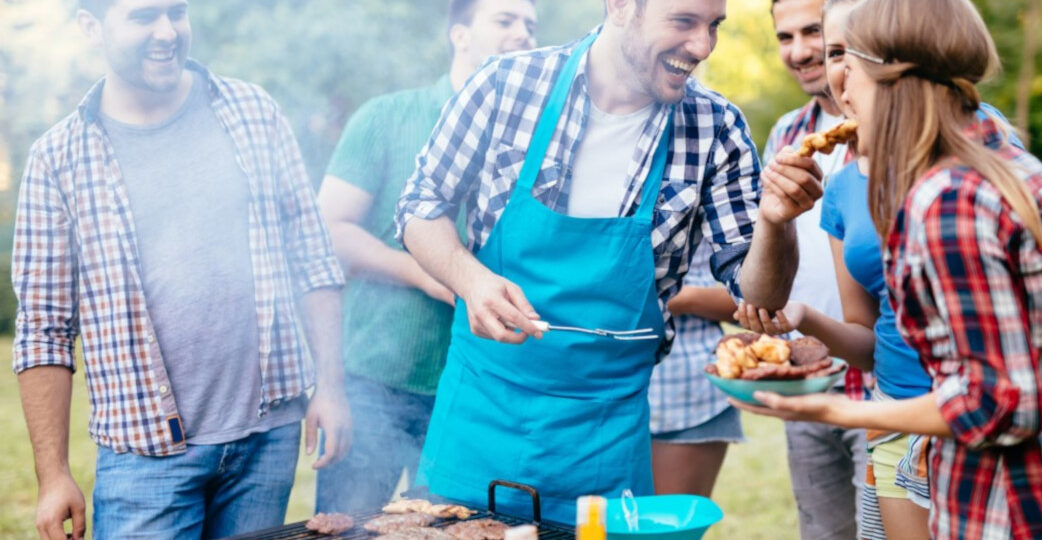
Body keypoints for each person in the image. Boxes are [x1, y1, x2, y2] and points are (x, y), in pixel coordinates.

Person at [733, 0, 1042, 538]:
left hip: (1009, 507)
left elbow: (998, 404)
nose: (842, 94)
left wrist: (832, 412)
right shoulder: (1019, 171)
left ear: (896, 77)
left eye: (849, 71)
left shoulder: (947, 202)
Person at [396, 0, 818, 524]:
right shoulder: (505, 85)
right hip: (479, 419)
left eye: (714, 26)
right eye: (684, 21)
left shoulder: (715, 127)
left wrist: (777, 223)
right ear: (620, 6)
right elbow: (420, 205)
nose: (703, 46)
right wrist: (472, 280)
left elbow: (759, 297)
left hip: (603, 441)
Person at [11, 0, 351, 538]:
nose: (167, 31)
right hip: (144, 457)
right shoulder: (58, 158)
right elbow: (44, 331)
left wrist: (330, 387)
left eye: (177, 11)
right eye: (144, 16)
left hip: (268, 438)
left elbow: (312, 258)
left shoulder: (253, 112)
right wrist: (53, 475)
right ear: (90, 27)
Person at [314, 0, 538, 514]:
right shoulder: (386, 117)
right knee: (350, 526)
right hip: (376, 380)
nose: (523, 34)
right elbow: (328, 230)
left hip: (481, 388)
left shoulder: (536, 142)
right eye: (504, 20)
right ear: (459, 34)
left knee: (457, 528)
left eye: (530, 25)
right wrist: (426, 272)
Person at [735, 1, 869, 538]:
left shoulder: (902, 129)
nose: (801, 51)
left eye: (813, 33)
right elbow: (768, 274)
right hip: (809, 376)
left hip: (888, 381)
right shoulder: (787, 135)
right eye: (785, 37)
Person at [649, 242, 740, 497]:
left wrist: (678, 297)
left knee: (668, 531)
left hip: (686, 397)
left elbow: (760, 299)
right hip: (595, 393)